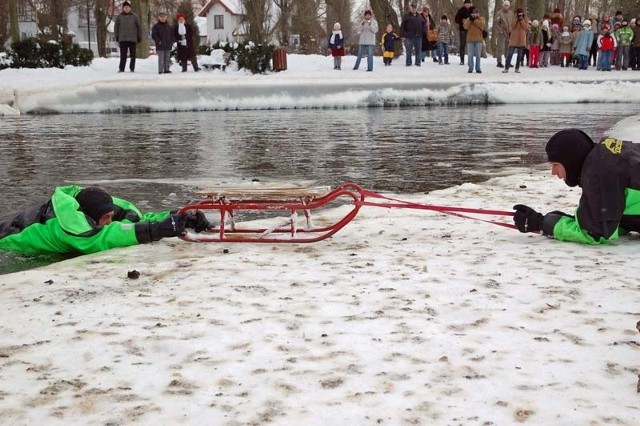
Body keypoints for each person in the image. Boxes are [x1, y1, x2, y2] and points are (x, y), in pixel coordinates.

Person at [0, 186, 211, 256]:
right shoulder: (68, 228)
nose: (110, 222)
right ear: (89, 216)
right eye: (106, 218)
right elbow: (103, 237)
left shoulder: (89, 211)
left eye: (111, 216)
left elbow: (134, 220)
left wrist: (180, 216)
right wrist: (157, 230)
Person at [513, 129, 640, 245]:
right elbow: (612, 221)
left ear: (571, 161)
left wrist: (541, 223)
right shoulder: (608, 157)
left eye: (556, 164)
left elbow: (594, 233)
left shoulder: (600, 173)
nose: (553, 172)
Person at [114, 1, 141, 73]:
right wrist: (116, 36)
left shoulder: (135, 16)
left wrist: (139, 36)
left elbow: (139, 27)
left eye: (128, 7)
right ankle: (121, 68)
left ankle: (132, 68)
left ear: (130, 8)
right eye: (125, 7)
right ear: (123, 8)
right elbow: (116, 27)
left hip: (133, 39)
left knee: (133, 55)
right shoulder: (119, 17)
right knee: (123, 55)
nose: (126, 8)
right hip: (122, 39)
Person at [502, 8, 528, 73]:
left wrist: (522, 20)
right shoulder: (514, 18)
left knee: (520, 55)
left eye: (521, 13)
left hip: (521, 39)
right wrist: (517, 19)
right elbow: (512, 26)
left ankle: (517, 68)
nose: (520, 15)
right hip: (513, 38)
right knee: (510, 54)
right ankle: (506, 68)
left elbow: (526, 27)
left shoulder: (525, 18)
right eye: (519, 13)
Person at [463, 7, 485, 73]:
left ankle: (478, 68)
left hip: (478, 39)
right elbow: (465, 26)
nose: (476, 15)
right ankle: (470, 68)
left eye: (477, 13)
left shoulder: (481, 19)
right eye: (474, 13)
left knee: (478, 54)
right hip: (470, 39)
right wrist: (470, 19)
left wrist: (474, 20)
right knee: (470, 55)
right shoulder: (469, 19)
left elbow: (482, 25)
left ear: (479, 14)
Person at [493, 0, 513, 68]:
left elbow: (513, 22)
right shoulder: (499, 13)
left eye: (507, 5)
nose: (506, 7)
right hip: (502, 32)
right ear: (503, 5)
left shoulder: (511, 13)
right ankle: (499, 61)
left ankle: (508, 61)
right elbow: (496, 23)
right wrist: (500, 30)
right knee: (500, 47)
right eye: (505, 5)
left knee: (508, 48)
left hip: (509, 33)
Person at [454, 0, 473, 65]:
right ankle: (462, 60)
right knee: (462, 45)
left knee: (470, 45)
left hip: (471, 30)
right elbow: (456, 19)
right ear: (464, 4)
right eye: (466, 4)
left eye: (468, 4)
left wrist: (470, 20)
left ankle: (470, 60)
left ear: (470, 4)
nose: (467, 5)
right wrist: (461, 20)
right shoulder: (460, 10)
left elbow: (477, 18)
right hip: (463, 30)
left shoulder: (473, 9)